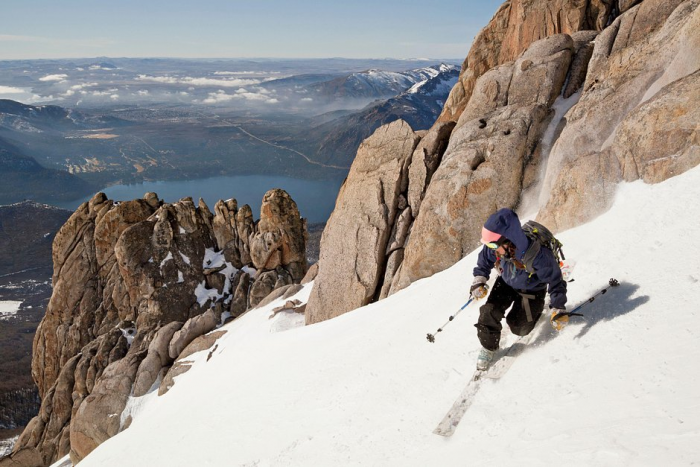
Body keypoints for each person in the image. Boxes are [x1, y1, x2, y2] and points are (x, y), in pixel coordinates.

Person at [470, 208, 568, 370]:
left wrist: (558, 307)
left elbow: (555, 280)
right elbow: (484, 258)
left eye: (493, 245)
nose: (491, 248)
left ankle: (536, 312)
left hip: (532, 290)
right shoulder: (497, 247)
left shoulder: (538, 255)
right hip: (506, 282)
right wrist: (479, 279)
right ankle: (489, 347)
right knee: (488, 311)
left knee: (519, 328)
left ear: (508, 240)